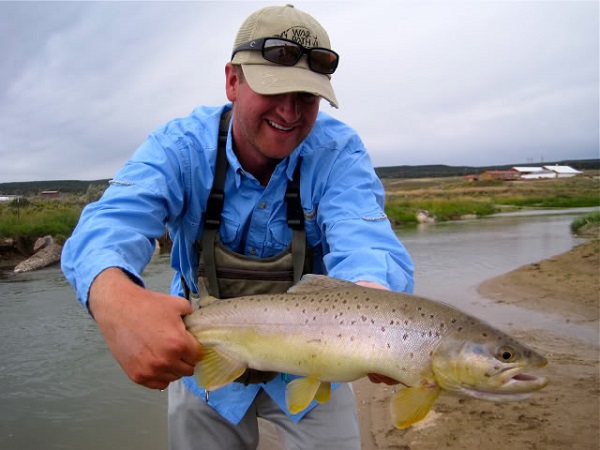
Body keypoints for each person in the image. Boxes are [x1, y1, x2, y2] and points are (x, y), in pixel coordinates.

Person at [62, 4, 414, 450]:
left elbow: (364, 236)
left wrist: (374, 302)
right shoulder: (179, 146)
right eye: (274, 89)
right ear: (233, 81)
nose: (289, 112)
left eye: (306, 98)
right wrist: (116, 301)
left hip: (313, 365)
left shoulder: (338, 153)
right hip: (205, 358)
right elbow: (110, 222)